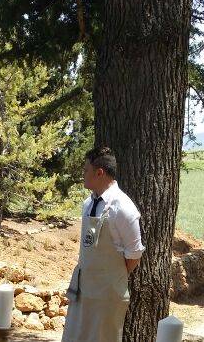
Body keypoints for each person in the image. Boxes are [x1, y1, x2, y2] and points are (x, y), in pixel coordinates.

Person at [62, 147, 145, 342]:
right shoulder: (87, 204)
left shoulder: (123, 209)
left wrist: (109, 278)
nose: (83, 174)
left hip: (107, 297)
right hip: (83, 292)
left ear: (99, 172)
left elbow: (134, 256)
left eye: (86, 170)